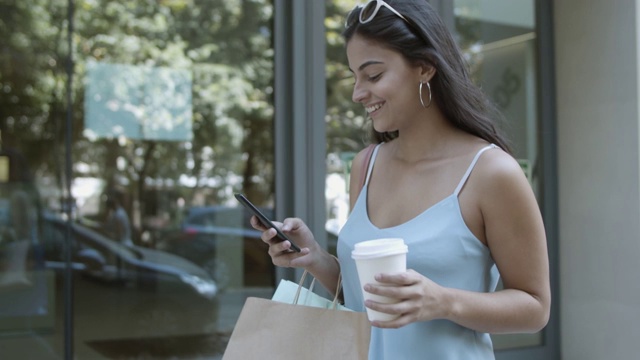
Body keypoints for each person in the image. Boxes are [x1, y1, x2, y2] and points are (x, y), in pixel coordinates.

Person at [251, 0, 550, 359]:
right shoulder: (366, 165)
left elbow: (535, 307)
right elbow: (366, 296)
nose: (358, 93)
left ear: (424, 67)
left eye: (373, 75)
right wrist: (315, 258)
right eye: (355, 77)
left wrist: (443, 302)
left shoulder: (491, 172)